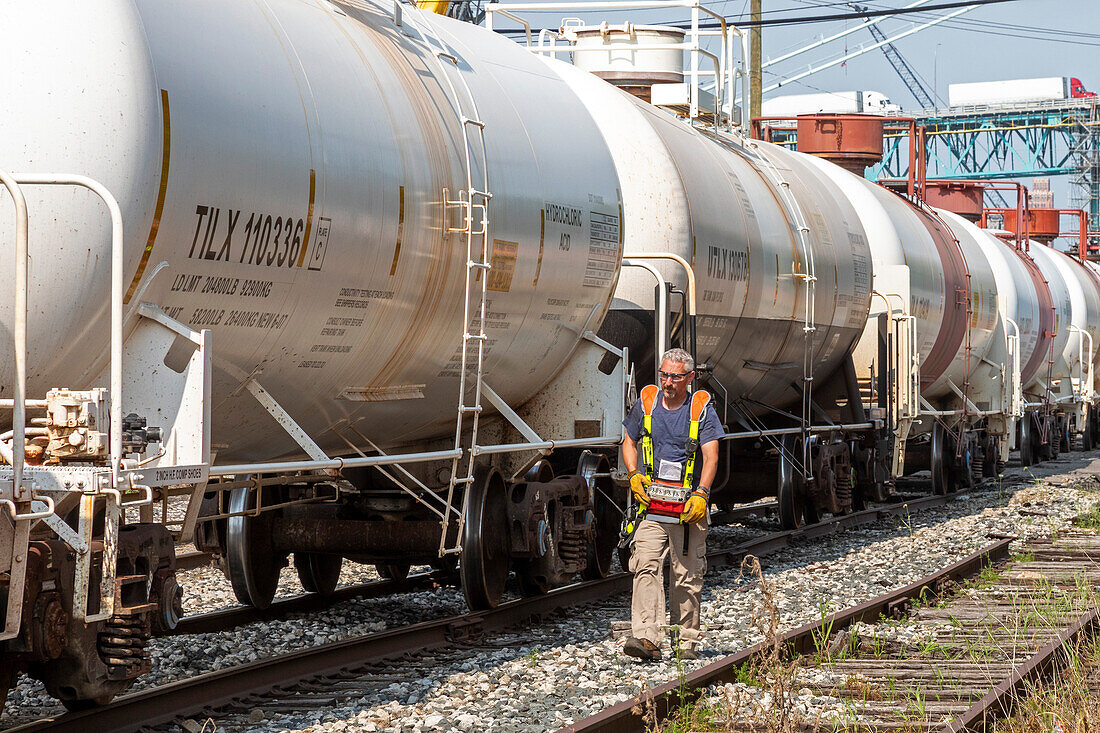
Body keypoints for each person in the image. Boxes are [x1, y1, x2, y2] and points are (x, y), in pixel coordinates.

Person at [620, 348, 722, 661]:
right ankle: (648, 637)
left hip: (687, 508)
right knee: (645, 567)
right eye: (664, 375)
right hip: (651, 507)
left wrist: (702, 493)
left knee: (686, 576)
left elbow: (712, 455)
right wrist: (634, 475)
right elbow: (628, 441)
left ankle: (685, 642)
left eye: (675, 376)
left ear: (690, 378)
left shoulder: (700, 410)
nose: (668, 382)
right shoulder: (647, 404)